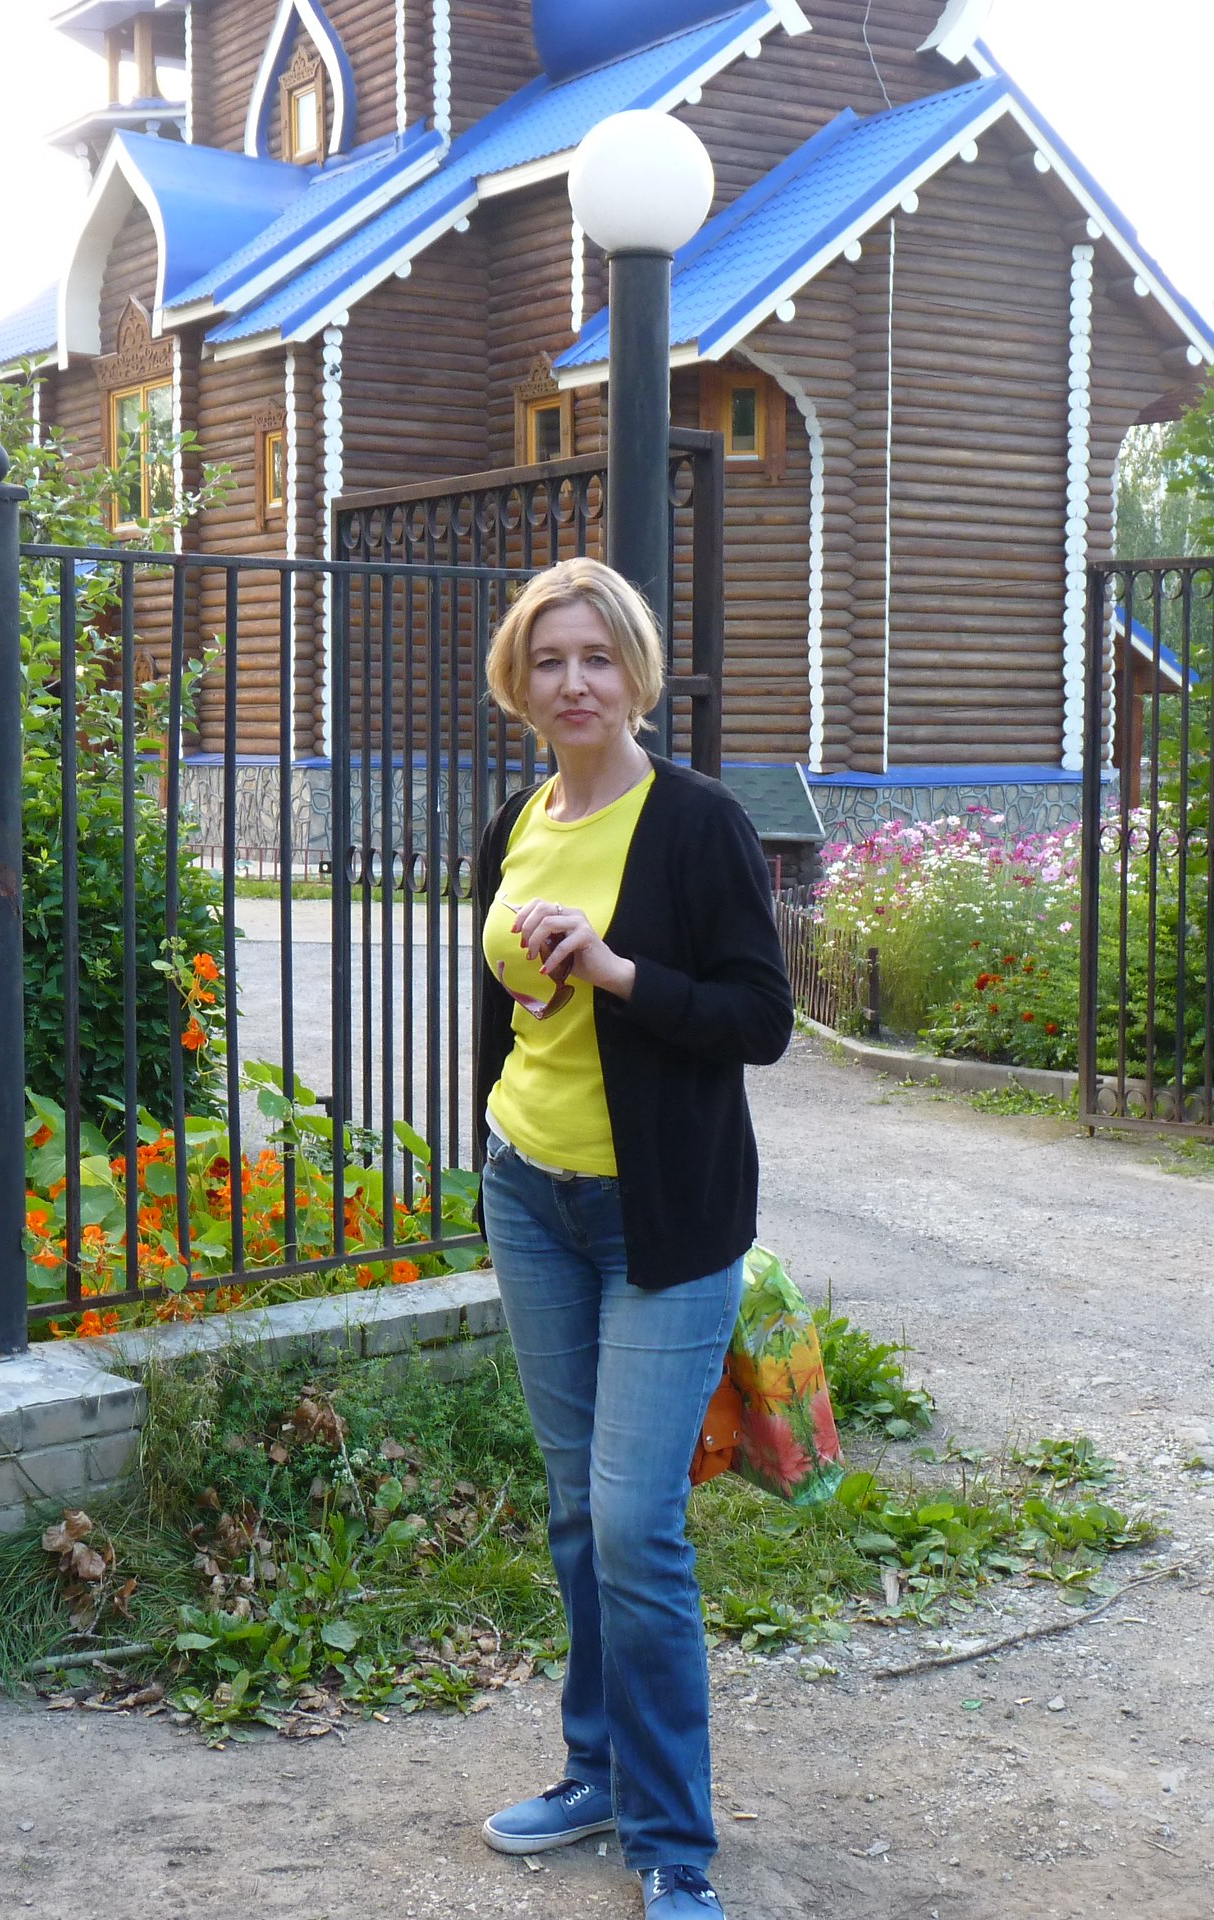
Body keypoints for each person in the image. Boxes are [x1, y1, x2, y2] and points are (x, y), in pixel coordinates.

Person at [470, 557, 794, 1919]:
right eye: (549, 660)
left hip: (660, 1220)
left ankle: (672, 1842)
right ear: (519, 681)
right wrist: (544, 1015)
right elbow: (506, 1010)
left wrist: (614, 971)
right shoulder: (514, 823)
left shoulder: (697, 823)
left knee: (633, 1526)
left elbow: (759, 1020)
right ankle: (595, 1769)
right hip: (531, 1196)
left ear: (636, 673)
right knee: (573, 1511)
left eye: (597, 657)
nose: (574, 683)